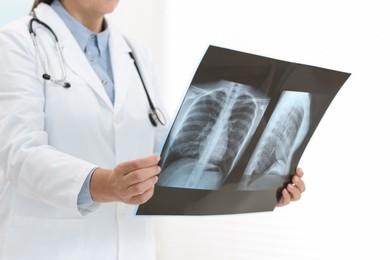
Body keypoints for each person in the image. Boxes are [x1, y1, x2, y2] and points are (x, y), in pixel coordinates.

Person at [0, 0, 306, 259]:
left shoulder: (136, 54)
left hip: (132, 247)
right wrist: (106, 184)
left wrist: (263, 186)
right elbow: (20, 153)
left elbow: (165, 158)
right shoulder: (15, 44)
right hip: (47, 248)